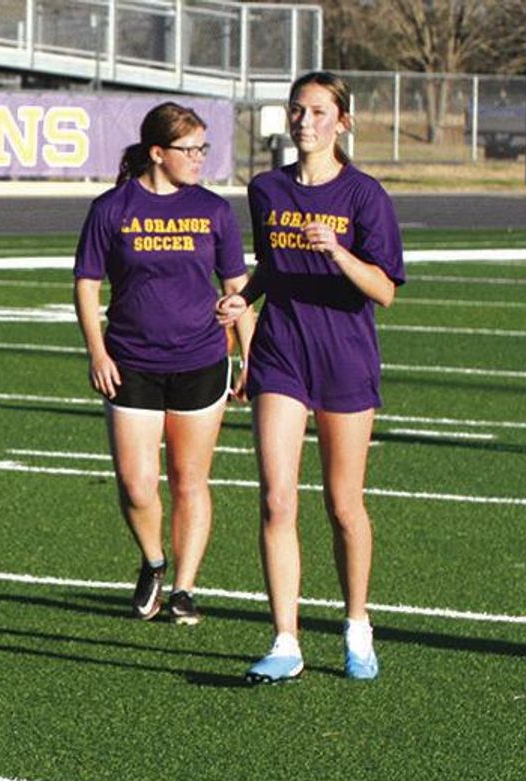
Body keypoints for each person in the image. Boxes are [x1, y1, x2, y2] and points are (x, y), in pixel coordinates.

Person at [217, 71, 404, 683]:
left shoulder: (365, 196)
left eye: (319, 112)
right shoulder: (266, 189)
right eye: (297, 110)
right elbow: (270, 268)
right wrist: (245, 297)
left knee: (344, 505)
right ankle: (286, 639)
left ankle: (356, 623)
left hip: (346, 357)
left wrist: (339, 253)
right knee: (275, 498)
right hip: (281, 355)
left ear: (342, 122)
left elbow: (384, 291)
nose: (305, 121)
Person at [73, 102, 254, 625]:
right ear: (157, 153)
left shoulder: (215, 211)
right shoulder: (112, 208)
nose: (200, 158)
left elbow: (236, 288)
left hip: (201, 359)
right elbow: (87, 283)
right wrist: (97, 350)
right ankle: (153, 560)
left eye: (203, 149)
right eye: (189, 149)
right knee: (136, 483)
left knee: (190, 479)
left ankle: (184, 587)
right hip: (130, 362)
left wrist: (249, 353)